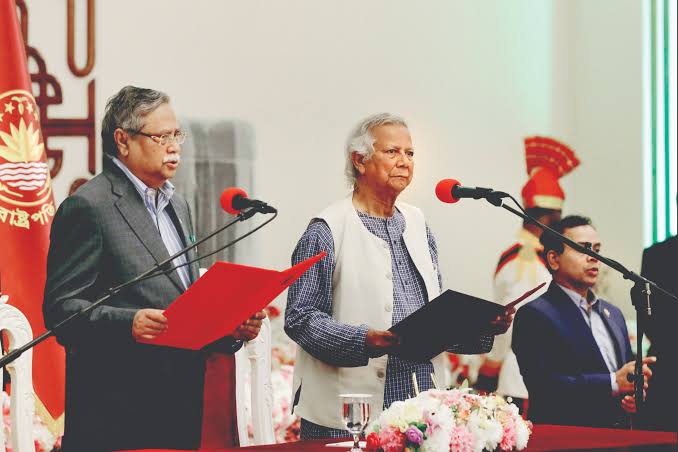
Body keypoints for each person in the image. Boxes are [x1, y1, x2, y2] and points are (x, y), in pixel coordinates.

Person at [43, 86, 265, 451]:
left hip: (179, 406)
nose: (175, 146)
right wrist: (128, 323)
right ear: (123, 140)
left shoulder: (178, 204)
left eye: (177, 134)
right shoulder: (89, 207)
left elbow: (184, 303)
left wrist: (231, 328)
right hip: (116, 415)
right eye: (161, 136)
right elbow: (61, 311)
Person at [284, 113, 515, 439]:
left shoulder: (418, 223)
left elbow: (436, 320)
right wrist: (365, 340)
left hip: (422, 411)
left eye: (410, 154)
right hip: (348, 414)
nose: (404, 162)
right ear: (359, 161)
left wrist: (482, 326)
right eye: (392, 152)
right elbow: (300, 318)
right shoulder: (327, 229)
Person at [512, 215, 655, 428]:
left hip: (620, 436)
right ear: (553, 259)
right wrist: (614, 383)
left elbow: (623, 377)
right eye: (583, 249)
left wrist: (631, 394)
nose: (594, 257)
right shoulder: (534, 314)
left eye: (596, 249)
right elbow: (545, 388)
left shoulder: (613, 313)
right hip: (570, 437)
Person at [478, 136, 580, 413]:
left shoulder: (534, 255)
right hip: (523, 381)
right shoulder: (524, 259)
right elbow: (511, 319)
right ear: (546, 218)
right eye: (558, 218)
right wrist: (490, 369)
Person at [639, 224, 677, 431]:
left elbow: (648, 317)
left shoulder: (656, 254)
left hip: (665, 359)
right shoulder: (657, 254)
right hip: (667, 365)